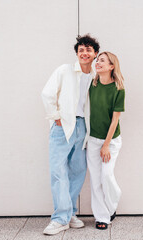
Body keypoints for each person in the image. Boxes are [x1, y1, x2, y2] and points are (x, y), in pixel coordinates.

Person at [41, 34, 100, 235]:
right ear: (77, 53)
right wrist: (55, 116)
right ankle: (60, 218)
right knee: (58, 171)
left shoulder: (95, 77)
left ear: (95, 54)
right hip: (62, 125)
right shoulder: (64, 70)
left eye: (88, 50)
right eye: (81, 49)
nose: (84, 53)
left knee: (78, 171)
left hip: (82, 127)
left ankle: (70, 213)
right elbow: (47, 93)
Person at [86, 52, 125, 230]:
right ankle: (102, 216)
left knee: (106, 175)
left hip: (111, 141)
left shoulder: (118, 89)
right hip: (93, 140)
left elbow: (115, 119)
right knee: (95, 180)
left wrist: (106, 145)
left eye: (102, 60)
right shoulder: (92, 85)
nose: (97, 63)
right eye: (97, 60)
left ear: (111, 66)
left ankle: (112, 204)